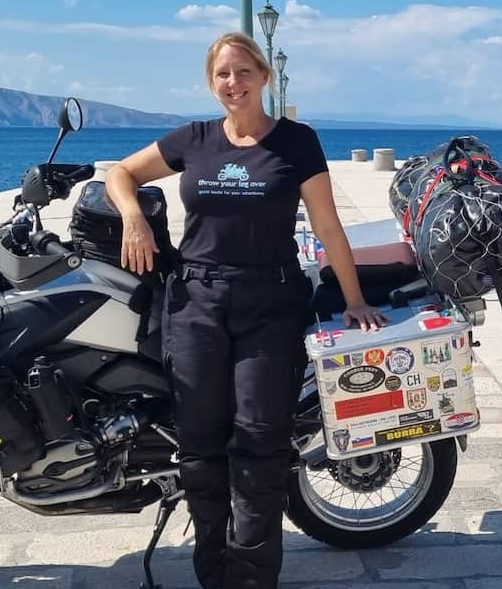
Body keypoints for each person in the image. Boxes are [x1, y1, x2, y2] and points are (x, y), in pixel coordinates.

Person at [104, 32, 388, 589]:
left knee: (260, 443)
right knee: (200, 446)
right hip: (197, 303)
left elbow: (327, 226)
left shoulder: (297, 142)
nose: (232, 84)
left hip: (270, 305)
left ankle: (252, 579)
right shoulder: (196, 138)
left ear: (264, 77)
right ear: (211, 84)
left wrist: (354, 299)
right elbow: (122, 173)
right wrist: (134, 218)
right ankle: (213, 572)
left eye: (242, 72)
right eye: (222, 76)